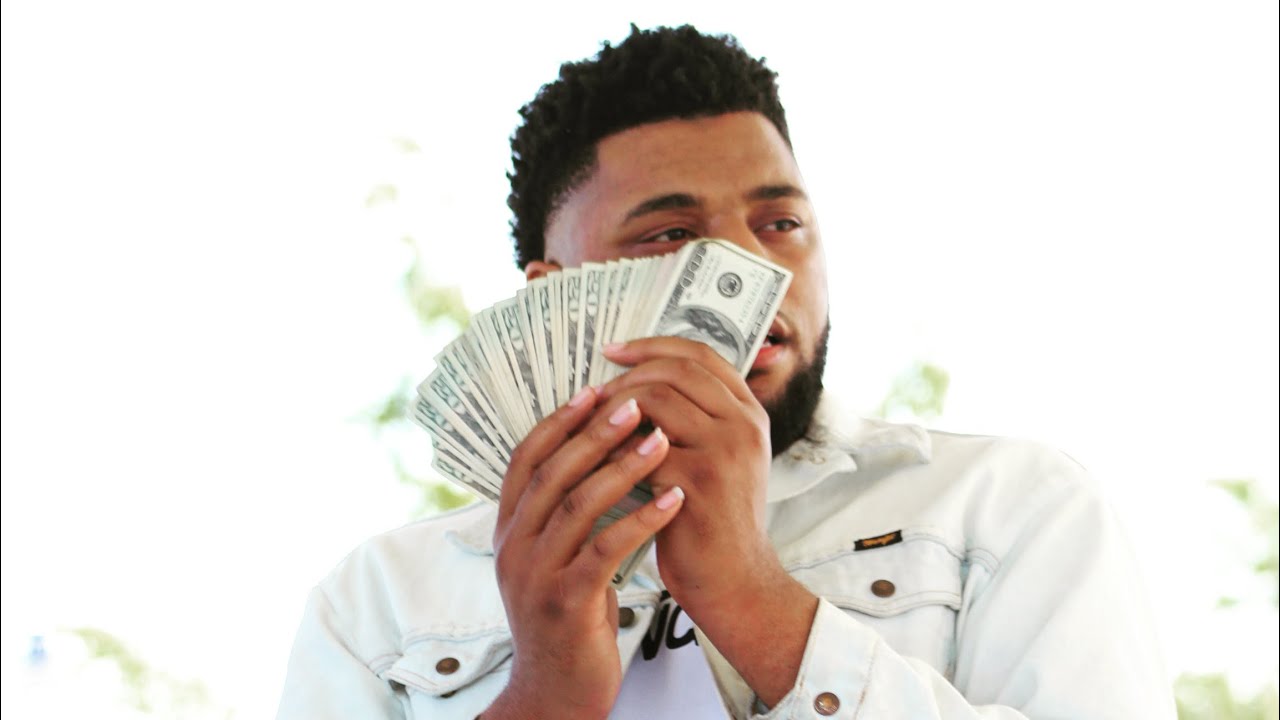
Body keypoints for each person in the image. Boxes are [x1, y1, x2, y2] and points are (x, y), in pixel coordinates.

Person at [278, 25, 1174, 719]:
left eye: (780, 223)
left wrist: (753, 600)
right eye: (671, 234)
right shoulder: (379, 606)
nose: (754, 270)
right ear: (556, 297)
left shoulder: (1008, 510)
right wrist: (543, 692)